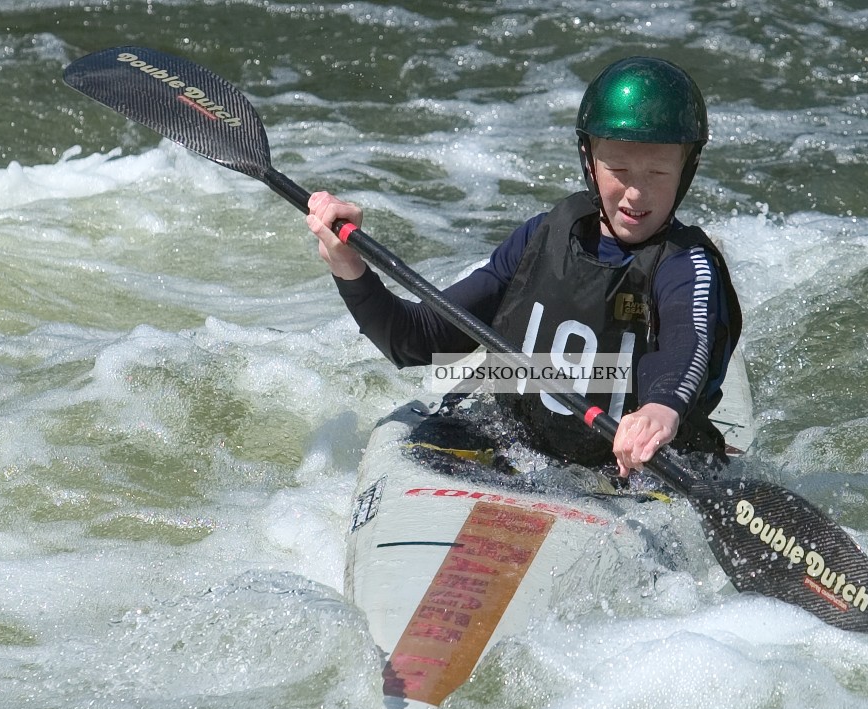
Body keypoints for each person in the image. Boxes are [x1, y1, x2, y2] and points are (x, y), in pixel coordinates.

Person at [306, 56, 742, 478]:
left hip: (629, 471)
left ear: (687, 170)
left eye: (658, 174)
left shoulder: (687, 266)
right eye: (619, 169)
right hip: (513, 449)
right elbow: (414, 340)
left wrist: (658, 410)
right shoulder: (541, 238)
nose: (635, 194)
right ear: (589, 161)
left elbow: (689, 344)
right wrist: (350, 268)